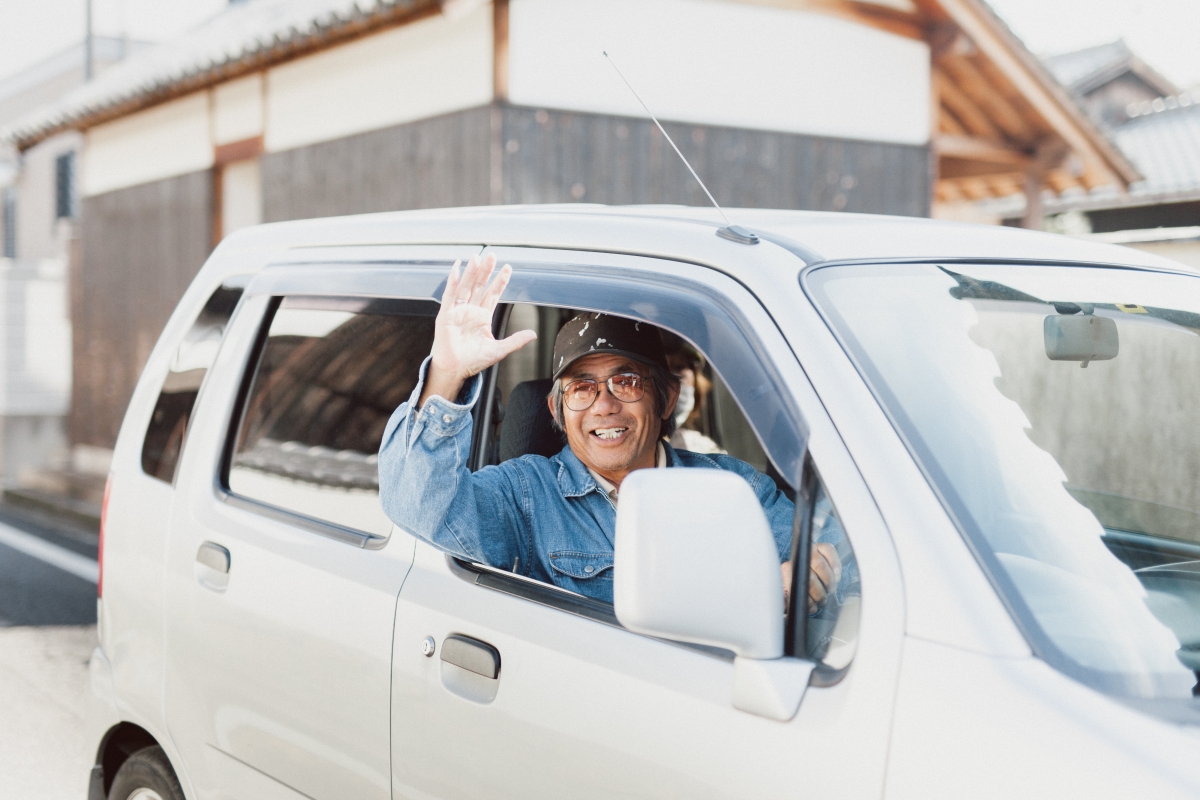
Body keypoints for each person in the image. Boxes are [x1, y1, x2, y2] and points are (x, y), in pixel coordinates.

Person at [378, 254, 842, 611]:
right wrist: (446, 374)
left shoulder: (735, 489)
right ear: (557, 411)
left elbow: (851, 553)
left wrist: (820, 571)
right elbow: (416, 502)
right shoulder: (526, 496)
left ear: (663, 399)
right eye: (581, 387)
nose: (603, 404)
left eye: (626, 381)